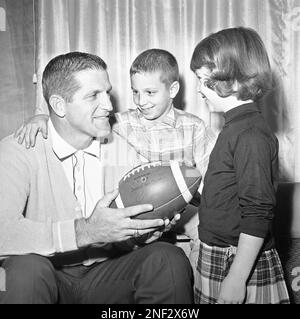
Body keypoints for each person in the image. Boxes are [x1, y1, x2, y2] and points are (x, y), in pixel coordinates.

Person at [0, 52, 194, 304]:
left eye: (107, 93)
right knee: (27, 268)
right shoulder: (19, 149)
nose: (109, 106)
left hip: (106, 274)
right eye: (93, 95)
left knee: (167, 257)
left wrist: (144, 230)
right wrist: (85, 231)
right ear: (59, 105)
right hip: (47, 274)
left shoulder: (120, 148)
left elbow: (129, 238)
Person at [190, 27, 290, 304]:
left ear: (232, 79)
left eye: (202, 79)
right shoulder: (235, 127)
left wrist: (236, 278)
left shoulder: (249, 134)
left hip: (237, 261)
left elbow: (258, 211)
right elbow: (228, 194)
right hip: (220, 254)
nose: (198, 89)